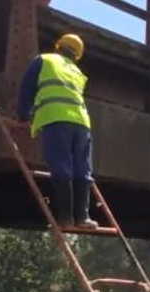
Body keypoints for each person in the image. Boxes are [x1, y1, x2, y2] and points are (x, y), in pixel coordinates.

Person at [17, 33, 98, 229]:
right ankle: (83, 218)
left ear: (58, 46)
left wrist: (23, 115)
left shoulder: (44, 60)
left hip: (56, 119)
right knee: (83, 169)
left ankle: (65, 218)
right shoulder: (78, 72)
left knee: (62, 166)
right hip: (82, 123)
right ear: (76, 55)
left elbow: (27, 88)